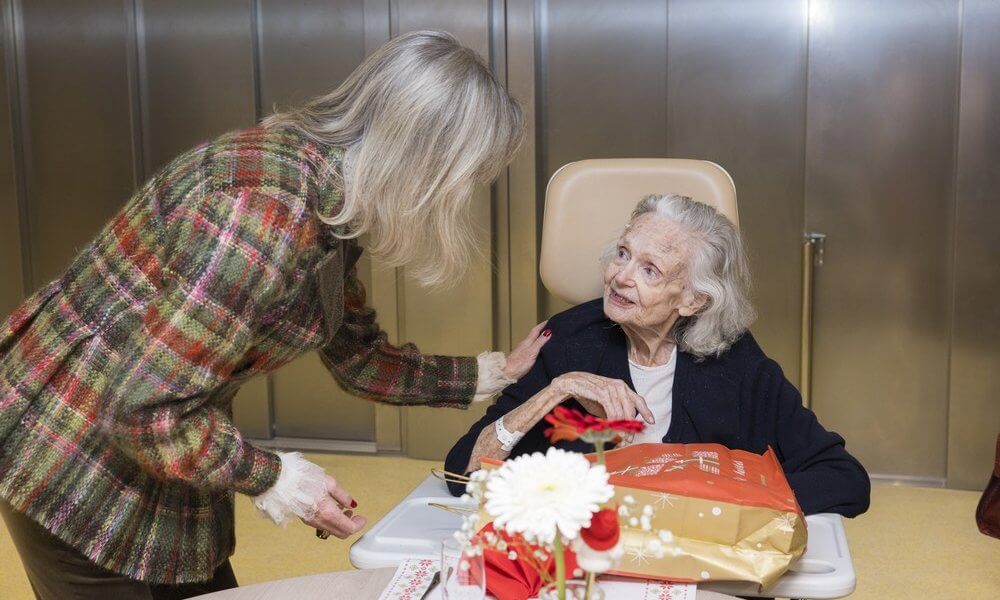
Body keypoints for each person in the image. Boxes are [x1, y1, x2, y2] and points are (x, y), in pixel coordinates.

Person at [0, 30, 549, 599]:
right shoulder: (263, 211)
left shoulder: (328, 195)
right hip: (71, 457)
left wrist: (493, 374)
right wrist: (277, 479)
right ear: (424, 160)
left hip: (156, 452)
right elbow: (146, 410)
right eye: (466, 178)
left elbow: (356, 357)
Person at [446, 194, 870, 518]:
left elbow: (844, 479)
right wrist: (559, 389)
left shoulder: (736, 362)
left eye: (650, 270)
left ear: (693, 300)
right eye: (623, 254)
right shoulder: (570, 338)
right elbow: (463, 472)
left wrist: (712, 498)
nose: (620, 277)